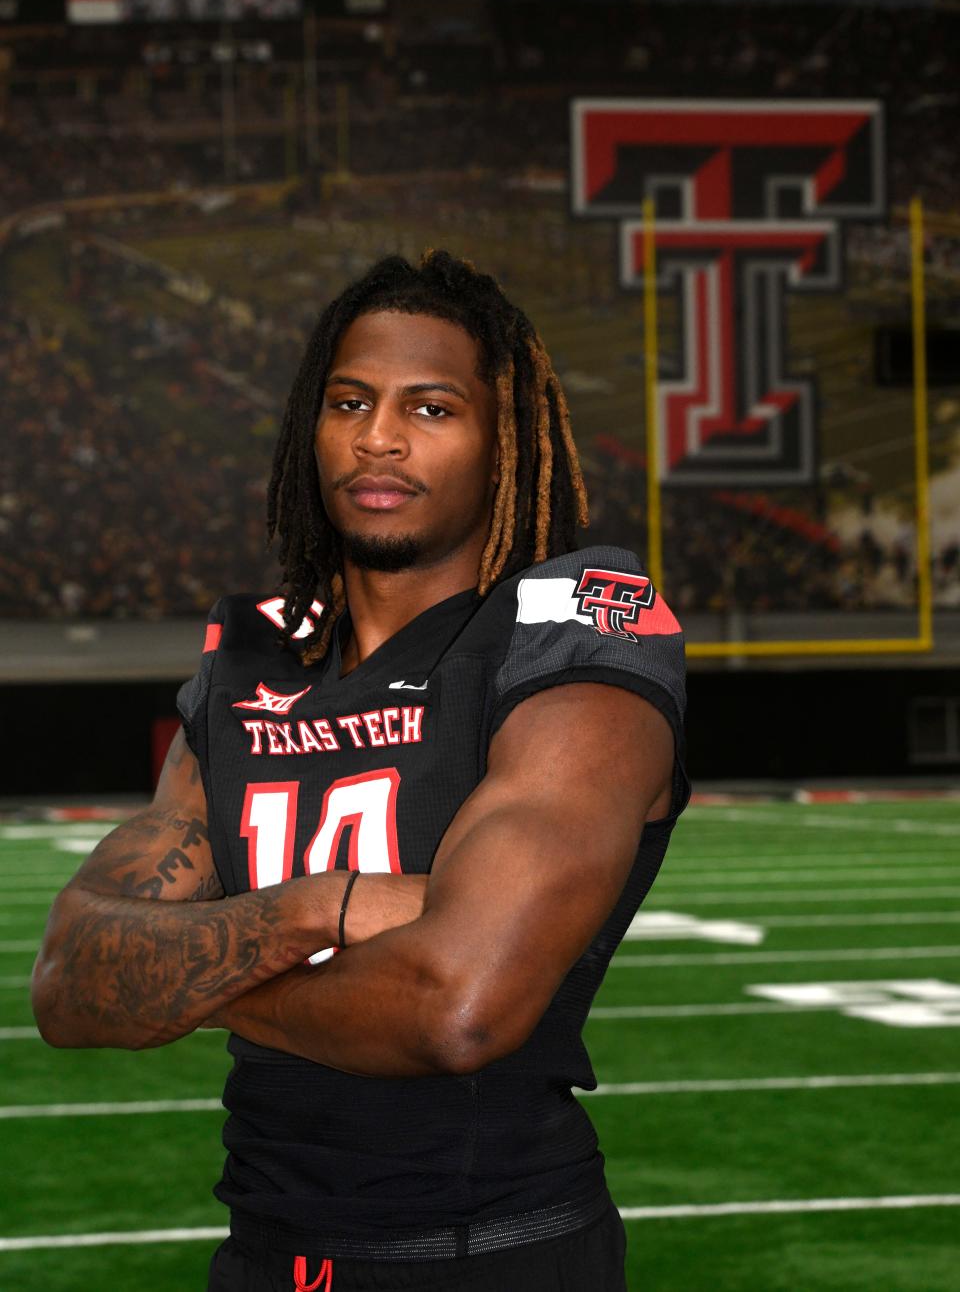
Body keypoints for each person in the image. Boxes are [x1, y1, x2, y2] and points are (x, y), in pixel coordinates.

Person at [32, 250, 689, 1292]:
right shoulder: (251, 653)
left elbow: (458, 1001)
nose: (379, 436)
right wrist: (314, 909)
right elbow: (70, 982)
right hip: (261, 1250)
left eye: (432, 408)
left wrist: (190, 981)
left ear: (503, 436)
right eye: (351, 401)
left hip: (487, 1254)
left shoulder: (577, 621)